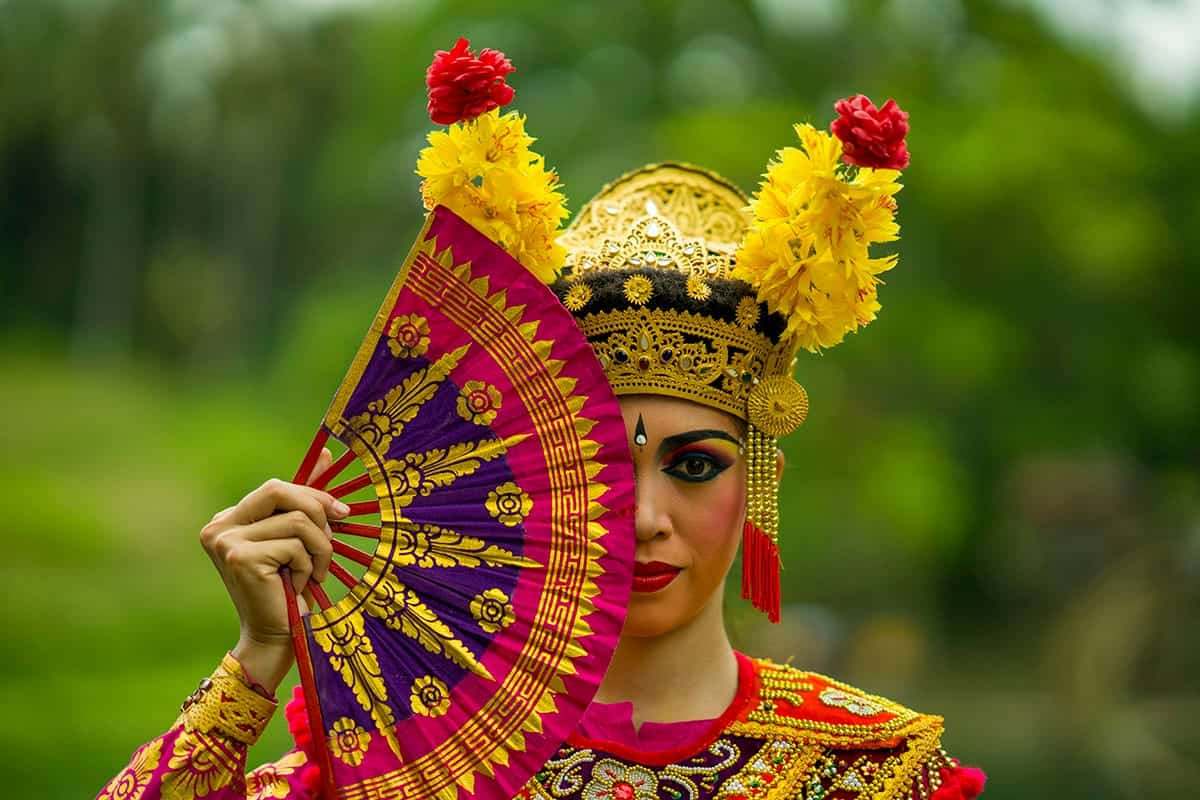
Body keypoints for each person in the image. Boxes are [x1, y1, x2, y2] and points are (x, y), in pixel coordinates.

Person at [98, 41, 985, 800]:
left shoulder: (874, 770)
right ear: (535, 482)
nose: (644, 516)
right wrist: (257, 659)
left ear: (760, 482)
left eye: (694, 465)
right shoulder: (417, 754)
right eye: (605, 468)